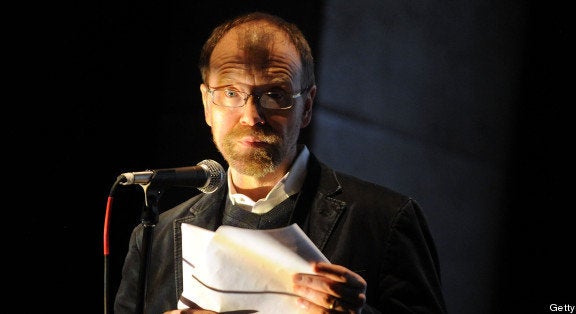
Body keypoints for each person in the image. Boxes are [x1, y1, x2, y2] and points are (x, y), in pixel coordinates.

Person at [114, 11, 447, 314]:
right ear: (206, 104)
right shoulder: (154, 236)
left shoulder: (384, 220)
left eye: (275, 94)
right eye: (230, 92)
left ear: (308, 106)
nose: (251, 115)